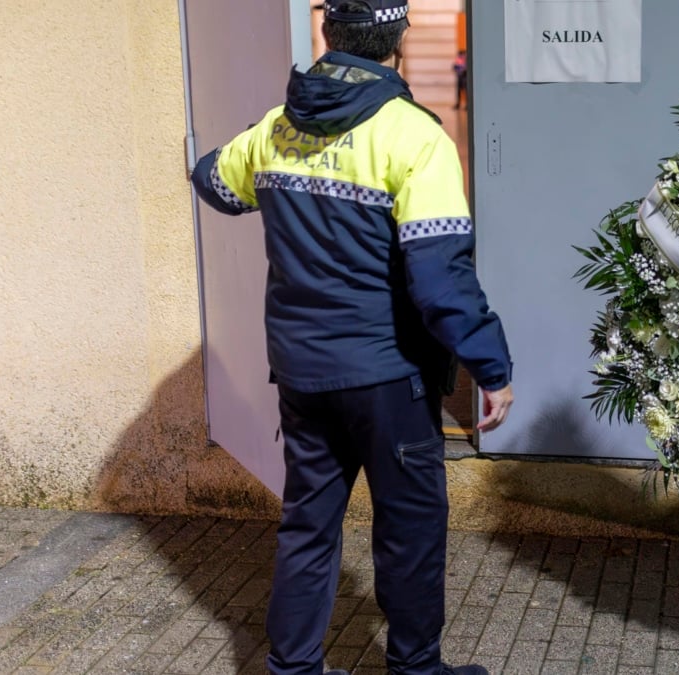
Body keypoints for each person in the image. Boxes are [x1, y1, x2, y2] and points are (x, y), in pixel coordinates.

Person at [190, 1, 513, 674]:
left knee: (308, 525)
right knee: (411, 530)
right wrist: (491, 364)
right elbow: (440, 278)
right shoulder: (414, 136)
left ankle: (295, 665)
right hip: (388, 376)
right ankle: (416, 668)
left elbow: (214, 182)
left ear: (326, 33)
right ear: (400, 39)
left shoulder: (278, 128)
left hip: (303, 375)